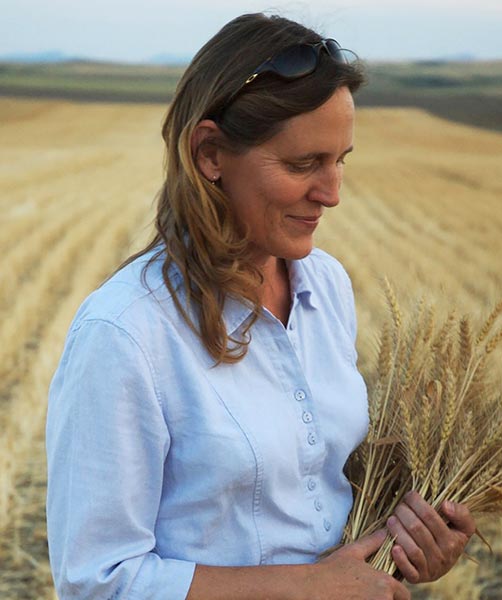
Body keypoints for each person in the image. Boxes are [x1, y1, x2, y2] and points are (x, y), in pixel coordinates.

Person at [46, 13, 476, 600]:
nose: (332, 193)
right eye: (303, 164)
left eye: (340, 159)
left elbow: (320, 498)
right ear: (210, 153)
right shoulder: (124, 333)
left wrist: (404, 547)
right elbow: (95, 580)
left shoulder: (325, 287)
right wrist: (308, 587)